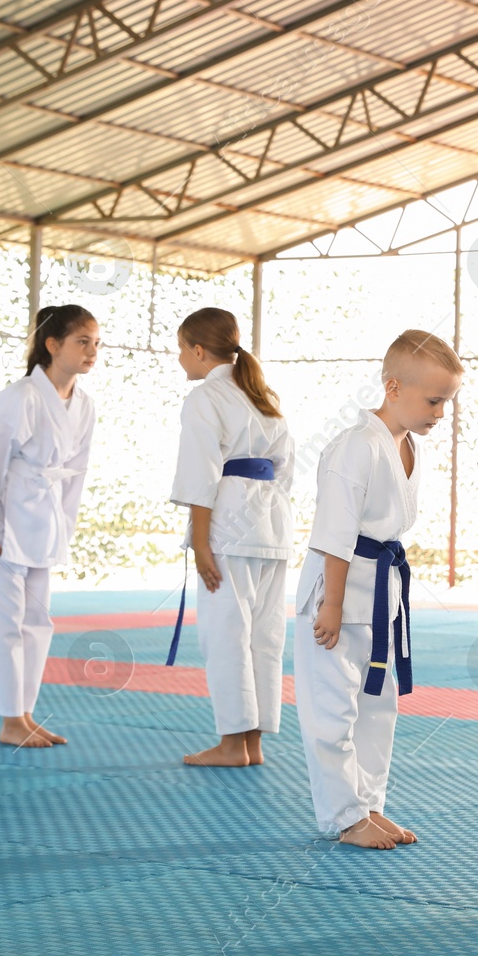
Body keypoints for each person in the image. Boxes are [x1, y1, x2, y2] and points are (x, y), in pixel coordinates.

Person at [293, 330, 462, 850]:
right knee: (333, 709)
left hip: (381, 593)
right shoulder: (355, 447)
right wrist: (333, 605)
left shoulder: (406, 444)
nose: (440, 412)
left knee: (377, 703)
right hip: (338, 592)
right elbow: (335, 535)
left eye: (446, 402)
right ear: (393, 387)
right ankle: (344, 816)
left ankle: (368, 805)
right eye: (433, 400)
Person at [0, 305, 98, 749]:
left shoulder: (83, 404)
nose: (92, 351)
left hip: (46, 522)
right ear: (52, 345)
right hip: (4, 523)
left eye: (96, 343)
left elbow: (76, 473)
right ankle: (9, 719)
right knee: (4, 623)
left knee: (38, 621)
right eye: (82, 341)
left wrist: (66, 528)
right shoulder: (20, 396)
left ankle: (26, 711)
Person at [169, 307, 294, 768]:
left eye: (182, 349)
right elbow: (285, 470)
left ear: (199, 351)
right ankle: (253, 743)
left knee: (226, 635)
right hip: (272, 525)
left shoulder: (206, 398)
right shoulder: (263, 396)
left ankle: (230, 744)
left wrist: (202, 542)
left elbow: (200, 475)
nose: (181, 358)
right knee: (265, 635)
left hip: (228, 528)